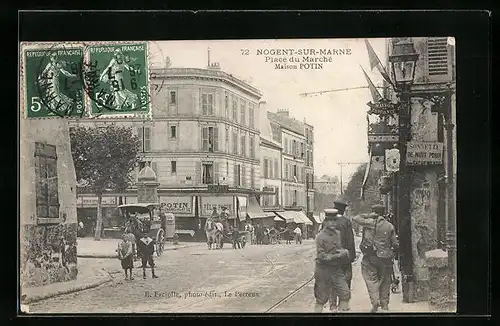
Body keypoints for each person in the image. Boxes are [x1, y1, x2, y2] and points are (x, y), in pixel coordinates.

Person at [352, 204, 399, 313]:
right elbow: (395, 244)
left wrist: (369, 215)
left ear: (374, 212)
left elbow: (355, 218)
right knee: (386, 281)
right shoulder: (389, 225)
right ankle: (385, 305)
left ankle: (375, 301)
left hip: (371, 256)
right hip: (385, 258)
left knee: (371, 279)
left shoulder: (369, 223)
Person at [314, 212, 351, 313]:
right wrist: (339, 255)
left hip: (336, 270)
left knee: (345, 293)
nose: (332, 223)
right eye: (330, 220)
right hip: (323, 270)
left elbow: (338, 248)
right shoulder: (320, 236)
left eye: (334, 220)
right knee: (321, 299)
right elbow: (322, 257)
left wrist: (344, 251)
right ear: (325, 222)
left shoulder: (338, 233)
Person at [329, 201, 356, 311]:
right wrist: (352, 256)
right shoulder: (346, 222)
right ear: (343, 210)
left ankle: (332, 305)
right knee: (346, 280)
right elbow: (350, 240)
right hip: (344, 257)